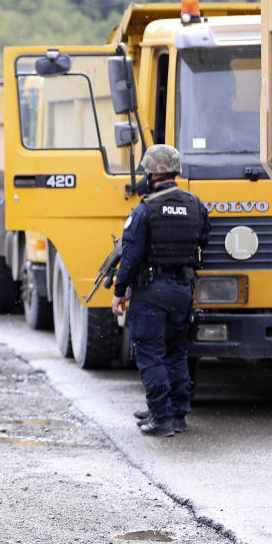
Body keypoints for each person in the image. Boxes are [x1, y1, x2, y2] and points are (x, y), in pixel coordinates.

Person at [110, 145, 210, 437]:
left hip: (151, 291)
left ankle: (160, 417)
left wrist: (119, 291)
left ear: (152, 173)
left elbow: (131, 256)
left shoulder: (145, 210)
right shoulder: (195, 205)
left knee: (150, 353)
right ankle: (177, 413)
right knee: (176, 351)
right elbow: (204, 237)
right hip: (182, 289)